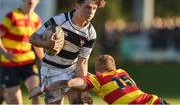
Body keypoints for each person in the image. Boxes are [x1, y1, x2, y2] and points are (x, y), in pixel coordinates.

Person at [29, 0, 105, 104]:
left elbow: (82, 63)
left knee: (77, 102)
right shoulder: (58, 21)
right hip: (50, 70)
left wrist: (83, 88)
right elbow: (33, 38)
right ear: (77, 6)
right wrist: (46, 44)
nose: (91, 12)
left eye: (94, 8)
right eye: (88, 7)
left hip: (71, 70)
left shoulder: (91, 33)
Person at [30, 54, 169, 104]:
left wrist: (43, 88)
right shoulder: (122, 72)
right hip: (156, 101)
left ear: (98, 71)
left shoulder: (99, 80)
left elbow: (69, 82)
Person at [0, 0, 43, 104]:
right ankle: (5, 94)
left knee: (36, 93)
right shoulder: (12, 16)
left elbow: (36, 43)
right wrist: (4, 52)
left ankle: (5, 93)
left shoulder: (36, 19)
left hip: (28, 62)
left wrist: (43, 61)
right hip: (9, 63)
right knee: (16, 102)